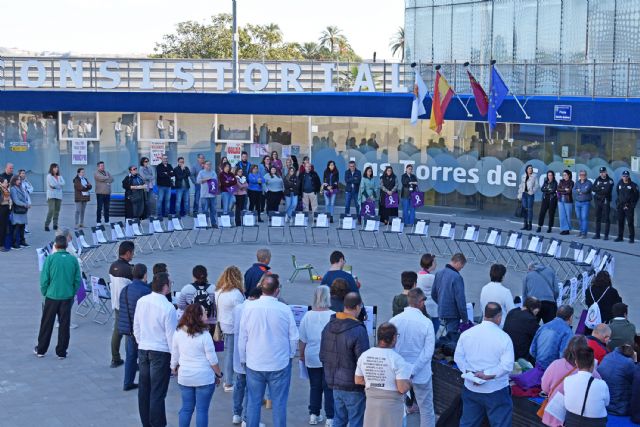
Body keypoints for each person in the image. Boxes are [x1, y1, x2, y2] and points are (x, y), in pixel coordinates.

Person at [238, 274, 298, 427]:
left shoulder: (249, 308)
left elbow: (242, 337)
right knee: (279, 404)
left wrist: (243, 359)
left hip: (254, 363)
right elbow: (293, 337)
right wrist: (290, 356)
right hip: (279, 363)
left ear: (260, 288)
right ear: (277, 290)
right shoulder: (284, 309)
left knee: (253, 402)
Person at [454, 303, 515, 427]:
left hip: (471, 388)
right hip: (496, 390)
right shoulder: (504, 338)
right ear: (499, 317)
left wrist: (471, 374)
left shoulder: (467, 334)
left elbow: (458, 357)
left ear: (484, 314)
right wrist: (485, 375)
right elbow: (507, 366)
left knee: (468, 423)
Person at [133, 272, 177, 427]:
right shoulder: (168, 307)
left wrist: (141, 342)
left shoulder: (142, 301)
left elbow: (136, 327)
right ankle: (157, 424)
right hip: (160, 352)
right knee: (157, 393)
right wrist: (175, 362)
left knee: (144, 391)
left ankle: (147, 423)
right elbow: (171, 337)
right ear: (165, 287)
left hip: (144, 348)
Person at [320, 292, 370, 427]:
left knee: (339, 419)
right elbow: (363, 361)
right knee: (356, 421)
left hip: (334, 383)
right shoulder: (358, 330)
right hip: (353, 385)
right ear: (358, 307)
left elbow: (322, 355)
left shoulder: (328, 326)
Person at [390, 288, 436, 427]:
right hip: (421, 374)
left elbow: (389, 349)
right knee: (426, 409)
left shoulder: (394, 321)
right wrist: (413, 370)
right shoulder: (426, 323)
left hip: (399, 374)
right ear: (421, 303)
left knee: (397, 408)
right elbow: (428, 352)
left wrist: (404, 370)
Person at [171, 303, 222, 427]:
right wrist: (218, 374)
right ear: (198, 317)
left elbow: (175, 354)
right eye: (204, 313)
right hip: (204, 378)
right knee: (202, 410)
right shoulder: (205, 335)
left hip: (185, 377)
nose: (206, 314)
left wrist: (173, 368)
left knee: (186, 409)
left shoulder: (178, 332)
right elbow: (212, 360)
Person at [355, 323, 412, 427]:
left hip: (371, 404)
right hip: (392, 408)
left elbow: (358, 380)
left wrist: (375, 381)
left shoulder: (365, 355)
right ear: (394, 338)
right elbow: (402, 388)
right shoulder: (397, 359)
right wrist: (409, 382)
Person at [34, 235, 81, 358]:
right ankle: (61, 351)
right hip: (67, 297)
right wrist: (72, 292)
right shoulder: (73, 260)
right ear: (66, 246)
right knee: (64, 325)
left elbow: (44, 279)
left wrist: (45, 292)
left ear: (55, 246)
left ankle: (41, 349)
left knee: (46, 324)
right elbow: (77, 280)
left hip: (52, 296)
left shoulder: (50, 259)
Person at [540, 335, 600, 427]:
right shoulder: (592, 373)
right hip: (574, 419)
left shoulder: (556, 364)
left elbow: (544, 387)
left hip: (553, 415)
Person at [299, 286, 335, 425]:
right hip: (330, 356)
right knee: (329, 387)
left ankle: (314, 414)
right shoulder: (333, 315)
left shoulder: (307, 316)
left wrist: (301, 355)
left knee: (315, 386)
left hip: (312, 355)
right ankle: (330, 417)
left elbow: (302, 339)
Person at [232, 287, 264, 426]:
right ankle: (247, 418)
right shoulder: (257, 309)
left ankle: (236, 414)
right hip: (252, 353)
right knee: (251, 388)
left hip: (238, 353)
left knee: (239, 385)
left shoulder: (238, 308)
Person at [118, 263, 151, 391]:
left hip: (128, 329)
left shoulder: (125, 289)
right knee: (144, 358)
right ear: (145, 275)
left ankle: (128, 382)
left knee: (130, 357)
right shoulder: (146, 291)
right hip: (141, 330)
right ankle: (144, 383)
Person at [214, 266, 245, 393]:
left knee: (229, 353)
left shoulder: (219, 291)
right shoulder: (236, 294)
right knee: (231, 354)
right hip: (233, 326)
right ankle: (228, 381)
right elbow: (242, 311)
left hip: (222, 324)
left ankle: (228, 380)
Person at [563, 347, 609, 427]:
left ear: (576, 363)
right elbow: (606, 403)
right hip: (595, 423)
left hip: (571, 422)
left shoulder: (567, 380)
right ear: (593, 364)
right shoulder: (602, 384)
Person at [431, 253, 468, 342]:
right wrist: (465, 319)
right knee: (452, 339)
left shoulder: (439, 273)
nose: (461, 269)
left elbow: (433, 294)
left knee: (444, 334)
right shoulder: (457, 277)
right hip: (453, 314)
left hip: (441, 311)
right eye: (461, 267)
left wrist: (441, 303)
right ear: (458, 263)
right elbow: (460, 300)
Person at [109, 241, 134, 369]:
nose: (133, 255)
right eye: (132, 253)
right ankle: (130, 360)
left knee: (117, 331)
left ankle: (115, 357)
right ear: (128, 253)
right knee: (129, 332)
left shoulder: (113, 266)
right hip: (126, 305)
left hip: (116, 302)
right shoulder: (129, 270)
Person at [530, 305, 574, 369]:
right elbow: (563, 357)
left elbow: (532, 351)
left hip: (537, 367)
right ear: (571, 317)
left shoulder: (543, 327)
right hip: (552, 370)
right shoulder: (568, 332)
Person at [597, 344, 636, 416]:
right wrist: (635, 361)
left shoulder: (607, 356)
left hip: (603, 404)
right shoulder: (628, 362)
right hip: (620, 407)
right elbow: (636, 380)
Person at [176, 265, 216, 333]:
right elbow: (215, 306)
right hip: (210, 322)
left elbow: (180, 306)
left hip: (192, 322)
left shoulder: (186, 289)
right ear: (206, 276)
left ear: (193, 276)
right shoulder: (214, 288)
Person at [503, 297, 541, 364]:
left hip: (507, 352)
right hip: (521, 357)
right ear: (532, 309)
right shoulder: (530, 319)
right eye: (536, 311)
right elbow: (540, 336)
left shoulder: (512, 312)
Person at [479, 264, 514, 328]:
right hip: (500, 326)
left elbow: (482, 306)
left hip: (485, 324)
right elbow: (511, 312)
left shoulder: (484, 288)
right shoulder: (506, 292)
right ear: (503, 277)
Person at [614, 170, 639, 243]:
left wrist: (631, 206)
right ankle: (620, 237)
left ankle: (631, 238)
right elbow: (618, 193)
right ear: (622, 176)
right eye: (624, 176)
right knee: (620, 222)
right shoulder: (619, 183)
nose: (625, 177)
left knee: (630, 223)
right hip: (621, 206)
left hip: (629, 207)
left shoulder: (633, 185)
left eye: (626, 176)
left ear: (629, 176)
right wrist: (618, 203)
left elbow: (636, 196)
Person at [417, 253, 438, 332]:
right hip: (432, 309)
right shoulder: (431, 277)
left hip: (421, 308)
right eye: (435, 262)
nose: (436, 264)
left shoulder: (418, 274)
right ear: (431, 264)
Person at [592, 167, 614, 240]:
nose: (602, 173)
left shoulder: (610, 180)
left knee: (607, 218)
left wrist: (599, 188)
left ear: (606, 172)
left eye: (603, 172)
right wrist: (601, 188)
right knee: (597, 218)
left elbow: (607, 191)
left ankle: (606, 235)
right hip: (598, 201)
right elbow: (593, 188)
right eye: (601, 172)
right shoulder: (597, 179)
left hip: (605, 201)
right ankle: (597, 234)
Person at [9, 175, 29, 248]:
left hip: (22, 211)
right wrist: (25, 205)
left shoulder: (20, 187)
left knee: (22, 227)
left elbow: (24, 197)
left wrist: (27, 203)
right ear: (14, 180)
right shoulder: (13, 189)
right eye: (18, 180)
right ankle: (15, 243)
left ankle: (22, 241)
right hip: (17, 211)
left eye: (20, 180)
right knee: (16, 227)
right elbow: (16, 201)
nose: (19, 181)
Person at [197, 160, 218, 227]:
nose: (209, 166)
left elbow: (215, 180)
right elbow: (198, 181)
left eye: (210, 164)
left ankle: (213, 223)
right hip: (204, 195)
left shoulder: (213, 172)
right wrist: (207, 179)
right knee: (205, 210)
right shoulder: (201, 172)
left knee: (213, 210)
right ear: (204, 165)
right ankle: (205, 223)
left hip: (212, 195)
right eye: (207, 164)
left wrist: (206, 179)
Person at [518, 164, 539, 231]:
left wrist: (533, 191)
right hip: (524, 194)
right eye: (529, 168)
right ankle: (525, 225)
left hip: (530, 194)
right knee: (525, 210)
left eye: (531, 168)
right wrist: (520, 193)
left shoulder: (534, 176)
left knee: (530, 210)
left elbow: (537, 185)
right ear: (526, 169)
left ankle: (530, 225)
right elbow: (521, 185)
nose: (530, 169)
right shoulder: (523, 176)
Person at [45, 163, 65, 231]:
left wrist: (56, 186)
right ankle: (46, 225)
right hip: (51, 195)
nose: (56, 169)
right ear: (52, 168)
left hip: (59, 195)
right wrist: (59, 185)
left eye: (57, 167)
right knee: (51, 210)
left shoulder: (60, 176)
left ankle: (55, 224)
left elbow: (63, 183)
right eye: (55, 167)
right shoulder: (49, 176)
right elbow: (52, 184)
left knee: (57, 210)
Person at [573, 170, 593, 238]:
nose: (582, 176)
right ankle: (581, 232)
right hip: (577, 203)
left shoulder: (589, 182)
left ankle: (584, 233)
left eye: (584, 175)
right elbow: (573, 191)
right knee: (579, 217)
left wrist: (579, 190)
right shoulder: (577, 182)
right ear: (579, 175)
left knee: (584, 217)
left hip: (585, 203)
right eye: (581, 175)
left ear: (586, 175)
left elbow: (586, 190)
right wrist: (580, 191)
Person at [94, 161, 113, 226]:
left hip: (107, 193)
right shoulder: (96, 173)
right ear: (98, 167)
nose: (103, 167)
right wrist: (107, 178)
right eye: (101, 166)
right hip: (100, 193)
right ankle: (98, 221)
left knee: (107, 208)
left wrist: (106, 179)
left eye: (103, 165)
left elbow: (112, 179)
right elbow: (100, 178)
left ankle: (107, 221)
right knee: (99, 208)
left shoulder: (107, 172)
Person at [155, 154, 174, 219]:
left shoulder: (170, 165)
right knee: (160, 200)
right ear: (162, 159)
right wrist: (168, 173)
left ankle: (167, 214)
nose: (165, 160)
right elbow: (160, 175)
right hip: (161, 186)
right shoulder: (158, 166)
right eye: (164, 158)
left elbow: (172, 174)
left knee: (167, 200)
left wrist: (166, 173)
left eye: (166, 158)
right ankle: (159, 214)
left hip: (168, 186)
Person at [557, 169, 574, 235]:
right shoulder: (561, 181)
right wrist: (564, 189)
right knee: (562, 216)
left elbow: (569, 191)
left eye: (565, 175)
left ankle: (567, 230)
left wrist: (562, 190)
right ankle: (563, 229)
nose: (564, 176)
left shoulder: (571, 182)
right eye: (563, 175)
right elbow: (558, 189)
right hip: (560, 200)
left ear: (569, 175)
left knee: (568, 216)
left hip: (568, 201)